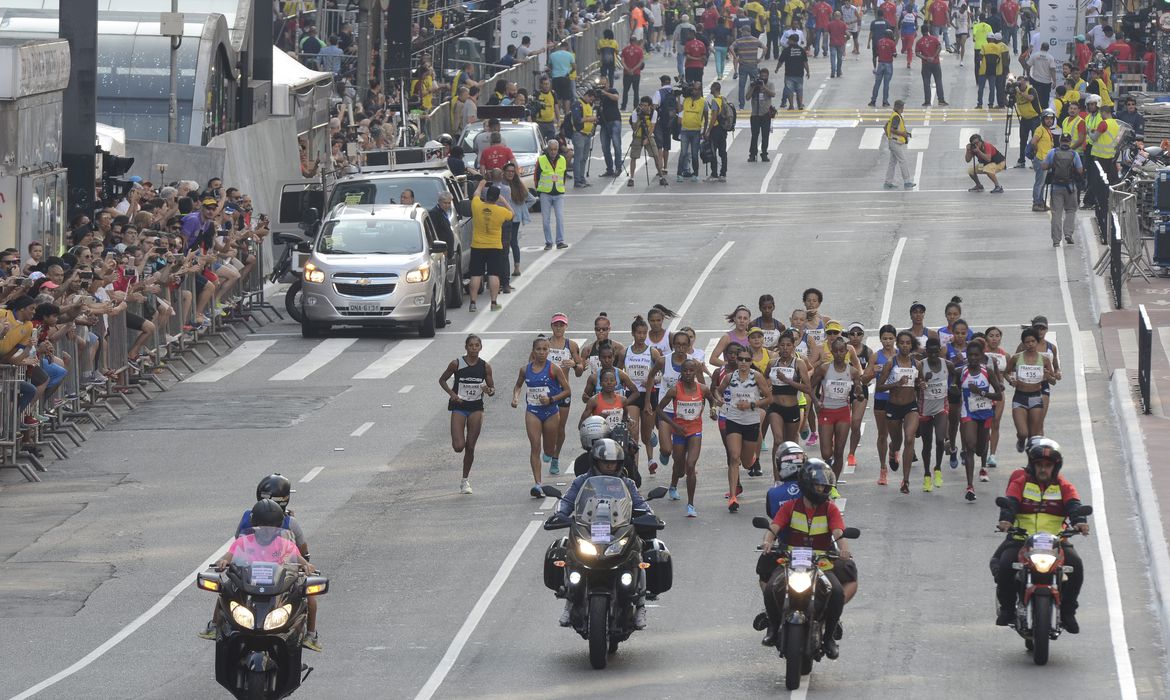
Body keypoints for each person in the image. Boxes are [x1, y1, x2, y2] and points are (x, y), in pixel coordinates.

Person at [758, 460, 855, 656]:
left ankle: (829, 638)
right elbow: (773, 528)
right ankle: (772, 629)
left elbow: (839, 534)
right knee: (770, 589)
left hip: (821, 563)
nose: (823, 489)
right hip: (790, 560)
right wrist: (767, 543)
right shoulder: (790, 507)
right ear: (807, 485)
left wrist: (844, 551)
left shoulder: (830, 509)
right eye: (820, 485)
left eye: (826, 486)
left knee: (836, 592)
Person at [555, 437, 654, 629]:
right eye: (605, 462)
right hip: (589, 529)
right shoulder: (582, 481)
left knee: (639, 553)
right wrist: (559, 514)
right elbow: (567, 501)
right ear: (595, 461)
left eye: (614, 463)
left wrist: (649, 516)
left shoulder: (627, 483)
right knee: (570, 552)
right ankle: (569, 600)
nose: (610, 466)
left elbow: (640, 503)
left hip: (618, 530)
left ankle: (640, 604)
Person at [992, 438, 1088, 632]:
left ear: (1055, 467)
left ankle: (1069, 611)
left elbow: (1075, 507)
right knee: (1003, 566)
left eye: (1048, 466)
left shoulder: (1065, 487)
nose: (1043, 469)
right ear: (1032, 466)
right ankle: (1007, 609)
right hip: (1021, 540)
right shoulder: (1020, 483)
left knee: (1076, 566)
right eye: (1039, 465)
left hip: (1056, 542)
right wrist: (1006, 521)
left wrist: (1080, 522)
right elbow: (1010, 504)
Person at [204, 499, 319, 645]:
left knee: (307, 595)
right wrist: (223, 562)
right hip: (248, 587)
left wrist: (307, 566)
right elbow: (228, 557)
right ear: (254, 525)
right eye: (262, 527)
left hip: (278, 588)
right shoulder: (243, 542)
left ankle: (310, 634)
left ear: (278, 527)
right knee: (225, 589)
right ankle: (214, 626)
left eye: (272, 528)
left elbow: (299, 560)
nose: (267, 531)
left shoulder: (286, 545)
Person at [513, 335, 572, 497]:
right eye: (538, 349)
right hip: (533, 411)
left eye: (545, 349)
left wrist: (551, 399)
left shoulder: (554, 368)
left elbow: (567, 391)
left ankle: (550, 453)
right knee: (535, 446)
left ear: (549, 351)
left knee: (548, 450)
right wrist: (516, 398)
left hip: (551, 412)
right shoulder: (525, 370)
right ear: (533, 351)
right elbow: (518, 386)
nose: (541, 352)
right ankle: (538, 484)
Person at [439, 334, 496, 494]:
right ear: (466, 347)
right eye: (471, 345)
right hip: (459, 406)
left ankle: (465, 481)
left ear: (480, 347)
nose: (473, 348)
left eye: (476, 345)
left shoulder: (485, 367)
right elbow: (442, 380)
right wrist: (452, 394)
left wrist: (488, 390)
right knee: (459, 447)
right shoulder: (456, 363)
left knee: (470, 446)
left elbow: (492, 390)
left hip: (476, 407)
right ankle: (459, 444)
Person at [656, 357, 711, 518]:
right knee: (679, 465)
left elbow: (712, 401)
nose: (688, 373)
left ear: (695, 372)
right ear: (681, 372)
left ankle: (691, 504)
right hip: (679, 431)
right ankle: (673, 485)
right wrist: (674, 425)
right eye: (685, 370)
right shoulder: (674, 390)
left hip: (695, 431)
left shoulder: (702, 389)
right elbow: (659, 410)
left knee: (691, 465)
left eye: (691, 370)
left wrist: (714, 409)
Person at [468, 182, 512, 313]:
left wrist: (481, 184)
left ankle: (473, 303)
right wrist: (503, 200)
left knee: (475, 274)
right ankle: (493, 303)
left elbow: (476, 194)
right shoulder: (501, 211)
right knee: (494, 274)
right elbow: (512, 213)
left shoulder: (476, 205)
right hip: (494, 246)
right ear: (497, 198)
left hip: (477, 245)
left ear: (486, 196)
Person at [534, 140, 568, 250]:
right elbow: (536, 176)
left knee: (560, 218)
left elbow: (563, 175)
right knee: (545, 220)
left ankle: (560, 241)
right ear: (548, 149)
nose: (553, 152)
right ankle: (548, 242)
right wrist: (539, 191)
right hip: (545, 193)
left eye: (555, 149)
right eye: (551, 149)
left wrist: (562, 187)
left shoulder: (562, 159)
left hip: (558, 193)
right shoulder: (541, 159)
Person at [704, 82, 734, 181]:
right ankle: (723, 173)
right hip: (723, 129)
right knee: (723, 152)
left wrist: (708, 130)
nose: (710, 89)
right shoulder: (723, 98)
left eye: (711, 87)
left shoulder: (715, 101)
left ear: (714, 89)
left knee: (713, 151)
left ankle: (714, 174)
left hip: (716, 128)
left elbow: (714, 117)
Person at [678, 81, 707, 181]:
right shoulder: (686, 100)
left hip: (696, 131)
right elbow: (679, 110)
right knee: (683, 152)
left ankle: (696, 174)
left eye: (695, 89)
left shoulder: (703, 102)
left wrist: (705, 131)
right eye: (693, 89)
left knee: (695, 154)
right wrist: (678, 97)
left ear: (699, 90)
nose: (693, 91)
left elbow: (706, 118)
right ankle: (679, 174)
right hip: (685, 130)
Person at [1028, 108, 1057, 211]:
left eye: (1051, 119)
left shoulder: (1047, 130)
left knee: (1043, 182)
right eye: (1047, 119)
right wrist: (1037, 151)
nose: (1049, 121)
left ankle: (1040, 201)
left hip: (1046, 160)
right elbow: (1033, 142)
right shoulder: (1040, 129)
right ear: (1043, 119)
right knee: (1039, 183)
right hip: (1041, 159)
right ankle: (1036, 203)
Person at [883, 100, 915, 190]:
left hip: (892, 141)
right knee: (903, 161)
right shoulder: (896, 117)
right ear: (899, 107)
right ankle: (907, 181)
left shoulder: (894, 115)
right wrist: (903, 134)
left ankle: (888, 182)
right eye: (902, 107)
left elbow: (885, 127)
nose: (903, 108)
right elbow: (893, 129)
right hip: (895, 143)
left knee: (892, 163)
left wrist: (889, 137)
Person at [569, 90, 598, 189]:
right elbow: (577, 119)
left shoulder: (589, 105)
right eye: (591, 98)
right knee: (578, 158)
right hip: (579, 134)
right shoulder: (577, 104)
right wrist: (590, 119)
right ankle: (577, 181)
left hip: (587, 135)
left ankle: (582, 178)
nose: (591, 101)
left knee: (584, 158)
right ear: (586, 95)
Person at [596, 76, 623, 178]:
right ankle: (609, 169)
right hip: (603, 123)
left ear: (608, 83)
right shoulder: (598, 94)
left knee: (616, 145)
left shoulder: (612, 90)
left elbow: (616, 97)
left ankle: (618, 168)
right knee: (605, 147)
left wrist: (605, 93)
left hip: (614, 121)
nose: (602, 86)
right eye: (600, 85)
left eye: (603, 84)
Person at [748, 68, 776, 162]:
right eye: (762, 76)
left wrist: (764, 88)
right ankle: (752, 154)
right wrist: (753, 87)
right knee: (754, 136)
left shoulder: (770, 84)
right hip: (755, 114)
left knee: (765, 136)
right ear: (759, 76)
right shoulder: (754, 84)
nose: (763, 78)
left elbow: (773, 94)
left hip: (765, 114)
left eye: (765, 76)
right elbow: (747, 97)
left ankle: (764, 153)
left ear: (768, 76)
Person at [652, 75, 678, 176]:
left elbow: (654, 107)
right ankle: (665, 167)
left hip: (659, 121)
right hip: (670, 121)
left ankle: (660, 167)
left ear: (662, 82)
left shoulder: (658, 93)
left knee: (659, 146)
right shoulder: (673, 93)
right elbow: (678, 107)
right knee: (667, 146)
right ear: (670, 82)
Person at [915, 24, 946, 106]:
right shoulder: (934, 39)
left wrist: (925, 58)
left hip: (926, 64)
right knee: (938, 81)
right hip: (935, 63)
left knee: (926, 82)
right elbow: (939, 47)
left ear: (921, 31)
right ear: (928, 30)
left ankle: (927, 101)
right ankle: (941, 100)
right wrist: (934, 56)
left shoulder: (919, 42)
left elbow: (917, 53)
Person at [869, 30, 896, 108]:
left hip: (880, 64)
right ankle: (885, 101)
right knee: (886, 84)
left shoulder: (879, 41)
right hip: (888, 64)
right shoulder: (892, 43)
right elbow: (894, 54)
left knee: (877, 83)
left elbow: (876, 52)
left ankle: (873, 100)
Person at [621, 35, 647, 110]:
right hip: (636, 73)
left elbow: (622, 61)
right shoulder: (639, 50)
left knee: (625, 90)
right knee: (636, 90)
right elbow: (641, 62)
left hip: (626, 73)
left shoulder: (625, 50)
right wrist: (633, 69)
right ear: (636, 41)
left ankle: (623, 106)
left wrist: (628, 69)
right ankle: (635, 106)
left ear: (630, 41)